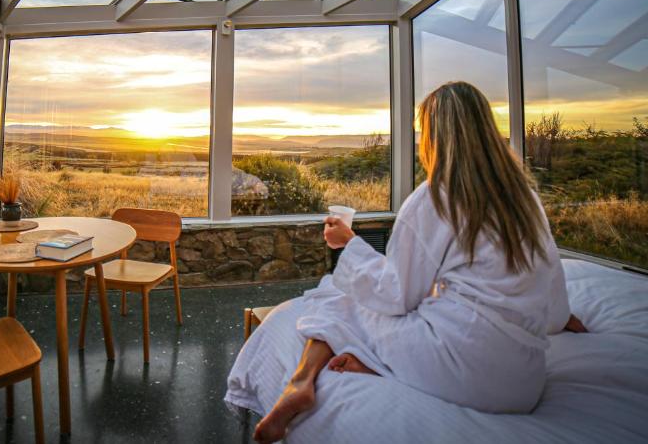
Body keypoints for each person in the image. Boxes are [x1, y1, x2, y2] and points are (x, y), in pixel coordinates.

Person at [251, 82, 586, 443]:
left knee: (335, 294)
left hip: (461, 364)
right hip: (522, 383)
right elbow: (550, 289)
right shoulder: (525, 200)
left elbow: (395, 295)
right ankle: (378, 364)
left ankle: (301, 383)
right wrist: (560, 318)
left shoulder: (435, 197)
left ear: (433, 136)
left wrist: (348, 245)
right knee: (380, 300)